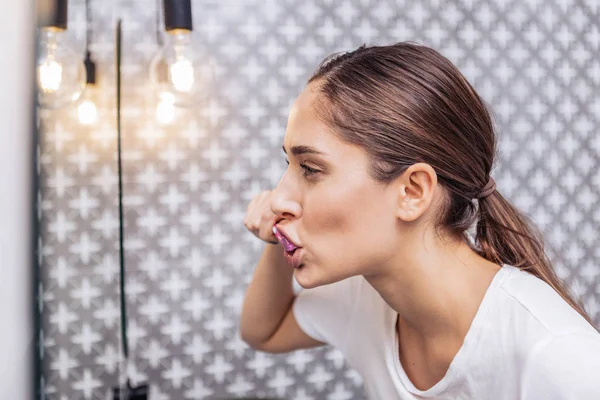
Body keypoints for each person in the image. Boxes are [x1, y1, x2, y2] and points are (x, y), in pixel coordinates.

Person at [239, 42, 600, 399]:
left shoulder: (560, 361)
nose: (278, 197)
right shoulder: (364, 298)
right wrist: (281, 233)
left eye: (311, 169)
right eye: (288, 164)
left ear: (412, 191)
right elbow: (263, 331)